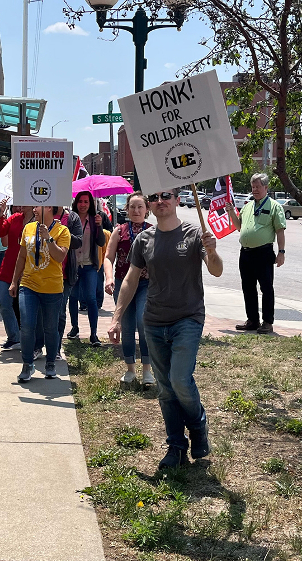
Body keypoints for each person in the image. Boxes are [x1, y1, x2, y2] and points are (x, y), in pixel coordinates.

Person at [108, 188, 223, 470]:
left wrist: (212, 250)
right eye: (155, 197)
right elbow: (130, 280)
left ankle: (197, 426)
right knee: (165, 389)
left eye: (167, 196)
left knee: (180, 380)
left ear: (176, 200)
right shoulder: (143, 239)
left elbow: (216, 270)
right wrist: (116, 316)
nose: (161, 201)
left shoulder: (195, 234)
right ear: (149, 205)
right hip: (155, 321)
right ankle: (176, 446)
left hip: (188, 318)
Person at [9, 205, 71, 382]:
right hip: (28, 285)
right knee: (27, 326)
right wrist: (14, 281)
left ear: (49, 207)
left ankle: (50, 362)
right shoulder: (28, 227)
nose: (34, 210)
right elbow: (21, 256)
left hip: (52, 287)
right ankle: (27, 364)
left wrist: (48, 239)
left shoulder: (62, 231)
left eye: (37, 206)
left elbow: (60, 257)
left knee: (50, 328)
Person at [225, 173, 286, 334]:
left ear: (266, 187)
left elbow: (280, 231)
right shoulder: (247, 206)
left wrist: (281, 252)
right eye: (253, 187)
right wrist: (231, 212)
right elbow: (239, 227)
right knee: (248, 287)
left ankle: (267, 322)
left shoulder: (274, 206)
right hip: (245, 254)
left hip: (263, 253)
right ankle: (252, 320)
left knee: (266, 288)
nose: (255, 190)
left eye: (258, 186)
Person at [104, 192, 154, 385]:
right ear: (127, 209)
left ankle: (147, 370)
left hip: (145, 284)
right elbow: (108, 257)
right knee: (126, 326)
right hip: (123, 284)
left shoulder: (152, 231)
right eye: (132, 206)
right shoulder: (120, 230)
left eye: (140, 206)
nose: (136, 210)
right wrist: (109, 278)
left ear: (147, 209)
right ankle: (130, 369)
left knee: (143, 322)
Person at [66, 191, 111, 346]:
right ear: (76, 203)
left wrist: (99, 226)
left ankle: (93, 334)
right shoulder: (71, 219)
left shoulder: (96, 219)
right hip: (74, 264)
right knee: (73, 297)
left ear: (91, 204)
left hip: (90, 265)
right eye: (80, 201)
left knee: (91, 298)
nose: (83, 205)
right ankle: (74, 328)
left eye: (86, 202)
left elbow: (100, 242)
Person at [0, 200, 35, 351]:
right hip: (9, 267)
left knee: (25, 308)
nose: (21, 204)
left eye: (24, 200)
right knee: (4, 304)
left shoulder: (39, 221)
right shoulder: (14, 218)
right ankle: (14, 337)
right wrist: (1, 214)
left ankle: (28, 337)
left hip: (30, 269)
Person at [54, 205, 83, 358]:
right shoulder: (41, 213)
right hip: (43, 273)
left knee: (59, 312)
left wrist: (63, 232)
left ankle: (56, 348)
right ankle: (39, 345)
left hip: (65, 273)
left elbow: (78, 242)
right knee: (41, 312)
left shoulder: (72, 218)